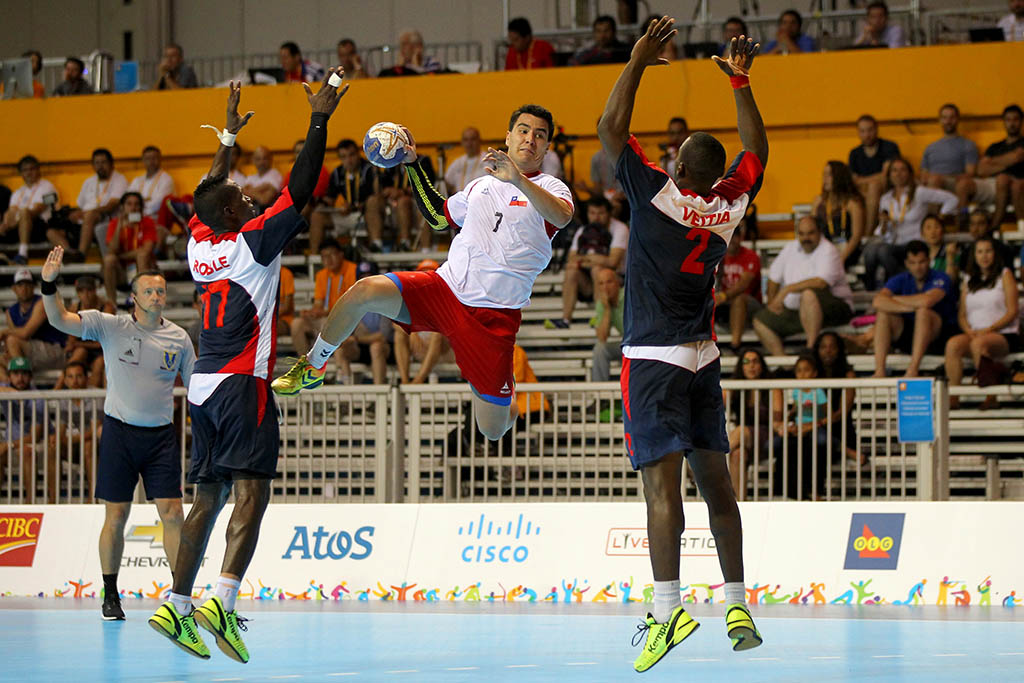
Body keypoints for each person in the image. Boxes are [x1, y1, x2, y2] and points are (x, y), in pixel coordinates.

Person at [147, 74, 346, 661]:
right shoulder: (252, 240)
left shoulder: (200, 242)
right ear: (234, 211)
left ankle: (176, 604)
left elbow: (208, 190)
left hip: (202, 386)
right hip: (241, 383)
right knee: (253, 493)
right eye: (243, 197)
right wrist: (318, 119)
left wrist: (227, 137)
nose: (252, 197)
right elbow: (301, 188)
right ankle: (223, 602)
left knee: (207, 498)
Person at [596, 20, 765, 670]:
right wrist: (741, 83)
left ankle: (667, 613)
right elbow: (757, 151)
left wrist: (637, 61)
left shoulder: (657, 194)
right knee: (717, 485)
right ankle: (737, 602)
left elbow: (611, 129)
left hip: (653, 358)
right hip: (704, 357)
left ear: (681, 168)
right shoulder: (728, 206)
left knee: (661, 494)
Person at [274, 100, 573, 443]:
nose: (530, 139)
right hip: (444, 290)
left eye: (539, 135)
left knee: (491, 429)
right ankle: (314, 365)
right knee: (363, 291)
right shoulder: (480, 186)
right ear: (508, 137)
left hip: (492, 319)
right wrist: (413, 164)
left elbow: (562, 216)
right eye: (523, 130)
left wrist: (517, 180)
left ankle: (509, 405)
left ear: (546, 147)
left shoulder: (553, 188)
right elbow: (437, 216)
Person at [40, 250, 194, 621]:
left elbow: (196, 389)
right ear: (134, 297)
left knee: (173, 514)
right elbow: (59, 319)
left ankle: (180, 598)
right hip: (119, 434)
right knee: (116, 516)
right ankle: (110, 595)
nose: (157, 296)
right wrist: (48, 283)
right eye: (149, 291)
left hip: (160, 438)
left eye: (161, 291)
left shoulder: (179, 338)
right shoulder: (111, 326)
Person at [753, 216, 853, 356]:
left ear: (819, 232)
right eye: (802, 233)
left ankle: (810, 350)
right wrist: (773, 303)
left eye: (810, 233)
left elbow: (820, 283)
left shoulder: (828, 250)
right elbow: (773, 278)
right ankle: (783, 362)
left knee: (808, 294)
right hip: (798, 311)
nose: (806, 238)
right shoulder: (790, 248)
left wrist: (787, 289)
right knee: (760, 320)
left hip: (835, 309)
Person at [945, 237, 1019, 409]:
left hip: (1003, 333)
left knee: (979, 344)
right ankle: (953, 397)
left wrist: (990, 329)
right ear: (974, 255)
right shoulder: (969, 278)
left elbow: (1012, 311)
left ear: (995, 254)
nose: (984, 256)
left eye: (988, 251)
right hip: (975, 333)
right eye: (979, 252)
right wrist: (968, 330)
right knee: (953, 345)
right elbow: (962, 314)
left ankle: (991, 395)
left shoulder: (1005, 275)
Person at [864, 157, 958, 290]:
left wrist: (940, 217)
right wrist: (884, 223)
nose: (898, 174)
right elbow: (884, 234)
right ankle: (870, 289)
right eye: (894, 170)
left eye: (902, 170)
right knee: (870, 250)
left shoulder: (919, 192)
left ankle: (904, 285)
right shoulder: (886, 198)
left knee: (883, 251)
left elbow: (952, 199)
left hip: (914, 243)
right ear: (889, 175)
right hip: (895, 244)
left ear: (909, 173)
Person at [871, 240, 955, 377]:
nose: (917, 267)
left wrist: (894, 299)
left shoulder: (941, 277)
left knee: (923, 312)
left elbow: (927, 301)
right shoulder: (901, 279)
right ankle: (879, 370)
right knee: (883, 313)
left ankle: (913, 369)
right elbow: (878, 301)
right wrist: (909, 307)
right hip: (908, 332)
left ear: (929, 260)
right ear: (906, 263)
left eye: (921, 262)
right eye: (913, 263)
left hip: (938, 335)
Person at [553, 196, 628, 328]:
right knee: (572, 270)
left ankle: (600, 317)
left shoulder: (620, 229)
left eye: (601, 213)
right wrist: (596, 260)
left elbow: (612, 262)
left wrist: (584, 258)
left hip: (617, 281)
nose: (596, 217)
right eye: (592, 213)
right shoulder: (583, 230)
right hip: (589, 284)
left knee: (598, 270)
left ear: (609, 213)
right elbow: (571, 259)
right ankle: (565, 320)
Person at [956, 104, 1024, 231]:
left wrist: (992, 162)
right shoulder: (995, 146)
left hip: (1017, 185)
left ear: (1021, 121)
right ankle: (963, 227)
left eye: (1015, 119)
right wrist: (1009, 160)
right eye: (1008, 120)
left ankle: (994, 225)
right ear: (1004, 122)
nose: (1012, 123)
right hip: (993, 184)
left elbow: (1018, 157)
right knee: (963, 184)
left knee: (1003, 178)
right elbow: (981, 170)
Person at [290, 238, 357, 361]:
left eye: (332, 254)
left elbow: (351, 305)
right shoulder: (321, 274)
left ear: (341, 254)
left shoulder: (353, 270)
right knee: (297, 324)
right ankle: (306, 365)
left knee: (325, 323)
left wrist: (323, 312)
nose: (329, 259)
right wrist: (312, 313)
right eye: (324, 257)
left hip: (346, 318)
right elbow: (318, 303)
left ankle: (322, 361)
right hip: (327, 317)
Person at [56, 148, 128, 260]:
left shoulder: (119, 179)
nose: (100, 166)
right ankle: (70, 253)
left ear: (111, 164)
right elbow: (80, 205)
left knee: (90, 216)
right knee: (52, 229)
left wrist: (88, 212)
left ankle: (81, 254)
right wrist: (75, 213)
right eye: (97, 163)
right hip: (84, 219)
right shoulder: (89, 181)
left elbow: (112, 205)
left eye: (103, 162)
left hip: (105, 218)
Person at [724, 348, 775, 500]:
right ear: (741, 366)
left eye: (755, 361)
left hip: (767, 435)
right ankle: (741, 502)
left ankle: (712, 462)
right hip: (743, 440)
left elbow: (777, 420)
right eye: (746, 362)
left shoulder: (773, 387)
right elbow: (713, 400)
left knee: (741, 430)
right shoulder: (736, 387)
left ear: (761, 366)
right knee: (738, 454)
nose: (751, 366)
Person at [0, 268, 67, 377]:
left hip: (55, 350)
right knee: (3, 356)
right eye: (20, 285)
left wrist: (4, 332)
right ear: (14, 288)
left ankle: (22, 380)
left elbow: (25, 333)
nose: (24, 288)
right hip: (30, 353)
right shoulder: (10, 312)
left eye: (28, 284)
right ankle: (12, 385)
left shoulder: (42, 302)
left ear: (33, 286)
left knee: (12, 340)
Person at [310, 139, 373, 252]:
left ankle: (376, 247)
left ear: (358, 154)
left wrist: (353, 207)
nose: (349, 160)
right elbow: (329, 199)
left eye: (351, 155)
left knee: (373, 203)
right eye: (343, 157)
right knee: (316, 216)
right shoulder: (337, 173)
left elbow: (375, 199)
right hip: (346, 214)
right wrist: (321, 205)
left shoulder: (369, 169)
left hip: (365, 215)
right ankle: (315, 256)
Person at [0, 357, 46, 502]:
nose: (20, 378)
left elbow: (34, 436)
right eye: (16, 373)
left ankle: (30, 502)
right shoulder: (6, 389)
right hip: (9, 442)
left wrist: (9, 445)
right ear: (9, 377)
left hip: (30, 443)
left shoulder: (37, 398)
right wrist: (13, 393)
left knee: (27, 452)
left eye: (24, 373)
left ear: (30, 377)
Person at [1, 154, 58, 264]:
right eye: (25, 170)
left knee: (25, 212)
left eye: (32, 169)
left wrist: (15, 220)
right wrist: (6, 223)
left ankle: (23, 254)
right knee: (6, 218)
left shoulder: (48, 186)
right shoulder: (18, 192)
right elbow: (11, 212)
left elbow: (37, 210)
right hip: (20, 227)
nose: (29, 173)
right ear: (21, 173)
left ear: (38, 170)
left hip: (42, 226)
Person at [849, 115, 901, 233]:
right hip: (864, 192)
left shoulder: (889, 147)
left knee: (874, 186)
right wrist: (869, 181)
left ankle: (868, 232)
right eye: (862, 131)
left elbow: (886, 175)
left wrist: (863, 180)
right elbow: (853, 180)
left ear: (876, 129)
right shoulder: (854, 153)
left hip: (887, 188)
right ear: (858, 132)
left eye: (870, 130)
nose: (867, 135)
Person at [102, 191, 158, 303]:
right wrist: (119, 226)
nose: (133, 208)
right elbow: (112, 250)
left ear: (141, 207)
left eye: (137, 204)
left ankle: (144, 301)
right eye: (129, 204)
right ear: (122, 207)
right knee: (109, 260)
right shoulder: (115, 223)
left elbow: (147, 249)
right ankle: (111, 303)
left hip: (142, 266)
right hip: (122, 271)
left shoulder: (147, 222)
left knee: (142, 256)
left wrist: (121, 256)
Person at [715, 217, 762, 351]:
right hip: (725, 304)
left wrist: (723, 296)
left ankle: (735, 345)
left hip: (751, 304)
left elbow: (743, 284)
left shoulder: (750, 256)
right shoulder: (719, 257)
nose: (732, 240)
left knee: (739, 299)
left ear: (740, 238)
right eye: (729, 236)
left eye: (735, 237)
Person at [811, 161, 865, 267]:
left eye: (829, 175)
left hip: (847, 251)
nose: (825, 178)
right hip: (824, 250)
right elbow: (812, 229)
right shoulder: (818, 201)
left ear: (840, 177)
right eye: (824, 174)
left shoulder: (852, 203)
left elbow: (856, 236)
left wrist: (841, 258)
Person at [64, 275, 115, 387]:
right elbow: (71, 341)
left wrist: (77, 344)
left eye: (89, 290)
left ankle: (91, 395)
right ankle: (61, 390)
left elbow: (104, 342)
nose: (86, 295)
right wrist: (76, 345)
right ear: (78, 293)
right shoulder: (74, 308)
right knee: (78, 354)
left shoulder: (106, 308)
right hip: (84, 348)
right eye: (81, 291)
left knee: (99, 363)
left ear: (95, 291)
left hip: (103, 350)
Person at [920, 104, 978, 192]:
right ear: (940, 120)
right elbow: (924, 173)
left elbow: (970, 173)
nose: (948, 121)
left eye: (952, 117)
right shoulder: (930, 147)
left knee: (935, 180)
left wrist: (941, 177)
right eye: (944, 118)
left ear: (957, 119)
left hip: (954, 182)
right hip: (932, 181)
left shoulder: (968, 145)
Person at [590, 266, 625, 382]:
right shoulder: (602, 304)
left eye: (609, 282)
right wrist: (607, 309)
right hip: (626, 345)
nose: (605, 287)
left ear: (617, 283)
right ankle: (599, 391)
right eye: (601, 283)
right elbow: (602, 337)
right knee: (600, 349)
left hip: (641, 343)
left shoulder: (629, 296)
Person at [128, 146, 176, 219]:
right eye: (148, 158)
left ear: (160, 159)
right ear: (143, 161)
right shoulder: (137, 180)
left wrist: (136, 214)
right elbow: (127, 200)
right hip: (136, 217)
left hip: (155, 218)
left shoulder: (166, 179)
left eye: (154, 158)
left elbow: (157, 205)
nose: (151, 161)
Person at [378, 30, 442, 76]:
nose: (402, 48)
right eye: (401, 45)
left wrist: (415, 66)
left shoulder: (432, 62)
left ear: (417, 46)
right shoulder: (404, 65)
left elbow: (430, 81)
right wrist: (400, 67)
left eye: (405, 44)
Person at [445, 127, 487, 194]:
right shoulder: (458, 162)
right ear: (462, 142)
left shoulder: (488, 159)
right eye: (466, 140)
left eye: (473, 139)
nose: (469, 144)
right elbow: (447, 182)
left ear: (479, 141)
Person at [243, 146, 283, 212]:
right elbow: (243, 196)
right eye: (258, 159)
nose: (261, 162)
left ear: (271, 159)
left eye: (265, 158)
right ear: (253, 160)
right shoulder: (250, 177)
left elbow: (265, 201)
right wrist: (262, 188)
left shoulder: (275, 175)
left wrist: (250, 191)